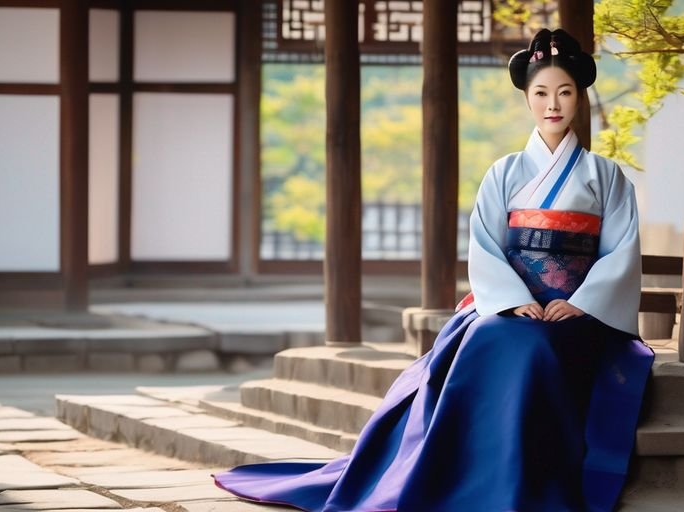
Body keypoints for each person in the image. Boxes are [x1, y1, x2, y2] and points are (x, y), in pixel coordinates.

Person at [213, 28, 654, 512]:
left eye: (565, 93)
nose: (554, 104)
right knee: (491, 337)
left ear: (579, 98)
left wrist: (579, 302)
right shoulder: (503, 172)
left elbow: (619, 251)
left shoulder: (605, 175)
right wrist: (511, 299)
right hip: (514, 305)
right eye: (542, 93)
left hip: (576, 312)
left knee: (536, 353)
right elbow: (486, 245)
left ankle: (517, 481)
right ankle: (458, 473)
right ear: (528, 100)